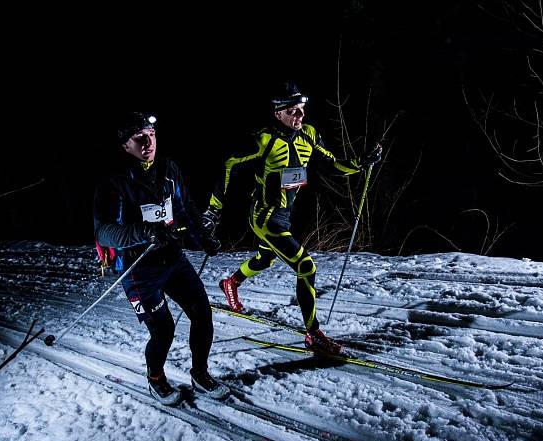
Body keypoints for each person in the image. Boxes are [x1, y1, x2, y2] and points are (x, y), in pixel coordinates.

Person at [201, 82, 382, 355]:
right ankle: (314, 335)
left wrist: (361, 162)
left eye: (301, 110)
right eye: (292, 111)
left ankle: (231, 283)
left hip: (284, 215)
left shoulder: (308, 135)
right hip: (265, 218)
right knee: (306, 267)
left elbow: (332, 164)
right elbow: (228, 164)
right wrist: (213, 209)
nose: (299, 116)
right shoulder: (264, 139)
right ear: (278, 114)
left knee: (265, 259)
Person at [93, 111, 226, 405]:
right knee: (164, 329)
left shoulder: (168, 168)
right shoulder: (114, 181)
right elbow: (104, 232)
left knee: (202, 312)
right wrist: (146, 232)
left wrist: (202, 237)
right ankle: (156, 379)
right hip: (139, 268)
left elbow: (184, 208)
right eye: (138, 137)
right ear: (124, 146)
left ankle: (200, 373)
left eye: (151, 135)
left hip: (172, 257)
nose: (147, 141)